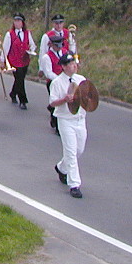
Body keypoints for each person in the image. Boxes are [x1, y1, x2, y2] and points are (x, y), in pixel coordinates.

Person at [49, 52, 90, 198]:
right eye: (71, 64)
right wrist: (64, 100)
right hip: (66, 120)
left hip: (80, 119)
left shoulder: (81, 80)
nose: (75, 66)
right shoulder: (57, 82)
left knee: (79, 150)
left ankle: (61, 168)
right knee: (71, 152)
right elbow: (52, 102)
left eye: (75, 63)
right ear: (64, 67)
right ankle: (74, 185)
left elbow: (88, 96)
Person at [3, 13, 37, 110]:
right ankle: (23, 100)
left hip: (24, 60)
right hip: (14, 61)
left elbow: (32, 45)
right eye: (15, 21)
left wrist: (31, 49)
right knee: (20, 79)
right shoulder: (10, 34)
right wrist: (3, 60)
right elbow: (5, 48)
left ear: (22, 23)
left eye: (19, 21)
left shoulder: (27, 33)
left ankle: (13, 93)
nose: (17, 23)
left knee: (19, 79)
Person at [39, 35, 66, 135]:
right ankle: (58, 127)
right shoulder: (47, 57)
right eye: (57, 46)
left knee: (63, 103)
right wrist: (59, 79)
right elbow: (48, 73)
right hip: (53, 83)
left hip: (64, 81)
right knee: (57, 103)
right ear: (52, 45)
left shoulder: (64, 52)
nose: (59, 47)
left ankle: (52, 110)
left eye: (60, 45)